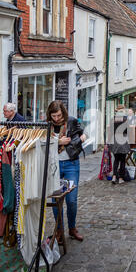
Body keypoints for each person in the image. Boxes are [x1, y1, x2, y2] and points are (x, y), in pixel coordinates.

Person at [47, 100, 87, 242]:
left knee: (71, 200)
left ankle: (72, 228)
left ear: (63, 112)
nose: (56, 119)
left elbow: (83, 135)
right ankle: (59, 231)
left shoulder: (71, 121)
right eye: (54, 116)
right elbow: (42, 142)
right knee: (56, 200)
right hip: (54, 166)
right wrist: (58, 141)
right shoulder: (47, 125)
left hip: (71, 164)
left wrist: (78, 140)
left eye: (58, 115)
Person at [108, 105, 130, 184]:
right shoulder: (125, 119)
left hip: (115, 141)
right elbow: (127, 131)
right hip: (123, 140)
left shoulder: (112, 119)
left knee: (116, 159)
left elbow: (110, 131)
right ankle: (120, 178)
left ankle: (114, 177)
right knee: (123, 160)